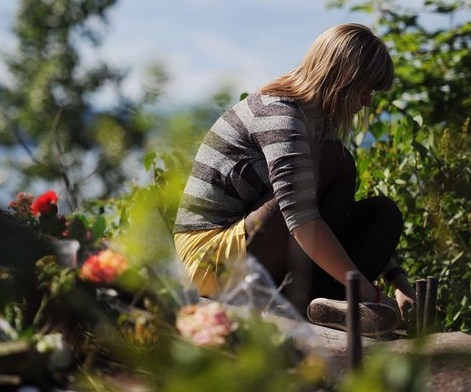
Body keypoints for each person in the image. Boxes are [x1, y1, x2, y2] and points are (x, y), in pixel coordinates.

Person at [173, 23, 415, 335]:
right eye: (365, 89)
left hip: (252, 244)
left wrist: (397, 278)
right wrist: (370, 294)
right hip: (209, 259)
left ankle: (323, 304)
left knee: (383, 214)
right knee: (335, 162)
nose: (367, 101)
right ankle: (314, 300)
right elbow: (302, 220)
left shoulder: (313, 122)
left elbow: (325, 218)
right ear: (342, 80)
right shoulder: (279, 115)